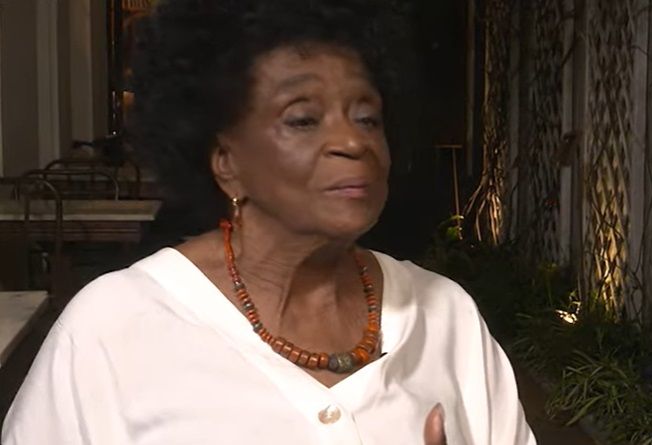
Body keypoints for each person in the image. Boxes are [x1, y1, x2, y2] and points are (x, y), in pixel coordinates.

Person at [1, 1, 536, 444]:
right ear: (225, 162)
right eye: (302, 119)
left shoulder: (445, 316)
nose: (353, 142)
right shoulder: (112, 327)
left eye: (367, 117)